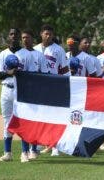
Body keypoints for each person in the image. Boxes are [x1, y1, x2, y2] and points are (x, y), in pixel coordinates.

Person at [0, 28, 37, 163]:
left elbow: (33, 75)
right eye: (11, 33)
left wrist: (19, 73)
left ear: (20, 37)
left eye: (16, 34)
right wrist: (9, 72)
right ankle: (7, 153)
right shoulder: (3, 54)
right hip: (6, 90)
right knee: (7, 121)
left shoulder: (26, 54)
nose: (13, 36)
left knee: (23, 120)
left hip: (21, 90)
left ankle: (24, 152)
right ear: (8, 36)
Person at [34, 24, 68, 156]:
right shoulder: (34, 49)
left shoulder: (58, 50)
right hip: (36, 87)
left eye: (50, 34)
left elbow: (65, 70)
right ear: (41, 34)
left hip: (53, 86)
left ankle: (55, 147)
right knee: (38, 117)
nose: (48, 36)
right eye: (45, 33)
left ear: (53, 35)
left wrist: (64, 86)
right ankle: (35, 146)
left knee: (54, 117)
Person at [21, 29, 48, 160]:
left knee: (36, 122)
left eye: (27, 37)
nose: (25, 39)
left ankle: (34, 149)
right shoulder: (18, 54)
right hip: (23, 93)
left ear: (32, 39)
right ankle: (24, 152)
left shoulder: (39, 55)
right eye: (23, 37)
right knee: (25, 122)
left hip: (36, 92)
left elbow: (45, 74)